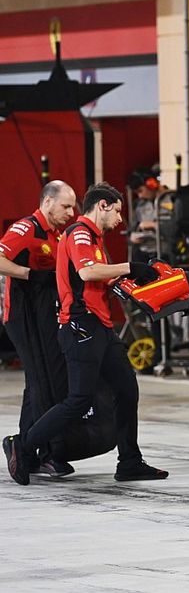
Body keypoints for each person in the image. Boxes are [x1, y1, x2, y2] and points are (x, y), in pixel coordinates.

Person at [3, 184, 168, 486]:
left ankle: (129, 461)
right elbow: (88, 273)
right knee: (76, 398)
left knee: (126, 389)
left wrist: (138, 278)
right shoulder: (79, 231)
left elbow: (100, 278)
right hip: (78, 326)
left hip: (99, 326)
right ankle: (23, 447)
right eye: (117, 210)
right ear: (102, 206)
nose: (120, 219)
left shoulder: (91, 238)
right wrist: (132, 266)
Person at [0, 181, 77, 477]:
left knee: (43, 382)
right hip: (22, 318)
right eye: (66, 206)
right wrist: (28, 274)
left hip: (45, 318)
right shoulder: (25, 229)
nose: (71, 213)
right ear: (47, 202)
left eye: (73, 207)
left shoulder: (57, 234)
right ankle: (26, 448)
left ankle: (33, 451)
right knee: (38, 381)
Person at [128, 169, 174, 264]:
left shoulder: (173, 199)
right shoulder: (140, 205)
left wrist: (155, 225)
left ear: (151, 184)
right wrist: (131, 237)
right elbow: (132, 228)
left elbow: (177, 229)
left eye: (141, 191)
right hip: (143, 255)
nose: (140, 196)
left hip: (167, 255)